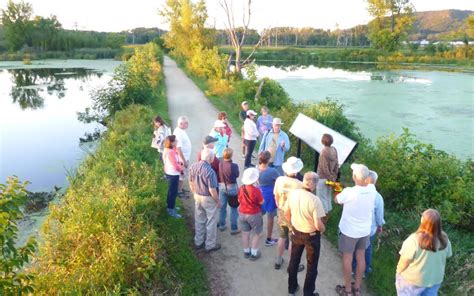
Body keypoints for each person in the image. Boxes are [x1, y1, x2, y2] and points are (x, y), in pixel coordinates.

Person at [334, 163, 376, 296]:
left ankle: (347, 290)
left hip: (349, 231)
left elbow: (337, 200)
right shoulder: (372, 190)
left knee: (347, 258)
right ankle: (357, 288)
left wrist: (337, 189)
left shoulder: (349, 192)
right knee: (361, 257)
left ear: (355, 177)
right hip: (364, 231)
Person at [286, 172, 326, 296]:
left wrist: (291, 226)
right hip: (311, 236)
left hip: (296, 232)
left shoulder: (293, 194)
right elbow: (318, 224)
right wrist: (323, 229)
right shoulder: (315, 200)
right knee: (311, 265)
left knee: (294, 260)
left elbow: (287, 213)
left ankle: (292, 288)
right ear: (314, 186)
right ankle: (308, 293)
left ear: (303, 181)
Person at [396, 209, 452, 296]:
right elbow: (448, 255)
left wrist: (398, 272)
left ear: (423, 220)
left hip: (413, 281)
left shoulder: (414, 239)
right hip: (435, 280)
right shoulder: (444, 239)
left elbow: (404, 261)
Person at [274, 156, 305, 271]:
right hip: (295, 215)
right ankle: (293, 264)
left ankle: (278, 259)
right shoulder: (300, 184)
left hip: (282, 211)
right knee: (294, 240)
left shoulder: (280, 180)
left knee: (282, 237)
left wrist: (279, 206)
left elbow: (276, 196)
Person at [352, 170, 385, 277]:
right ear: (375, 181)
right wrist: (380, 225)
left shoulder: (357, 192)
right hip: (369, 229)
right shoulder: (378, 197)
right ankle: (365, 270)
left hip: (355, 227)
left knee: (354, 247)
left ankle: (353, 268)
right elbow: (379, 215)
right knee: (367, 249)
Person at [188, 148, 222, 253]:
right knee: (211, 221)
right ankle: (210, 245)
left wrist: (194, 192)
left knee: (199, 219)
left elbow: (190, 182)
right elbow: (212, 189)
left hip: (197, 195)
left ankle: (198, 241)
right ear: (210, 158)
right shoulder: (210, 171)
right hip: (208, 198)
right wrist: (217, 201)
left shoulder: (193, 166)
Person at [238, 167, 264, 261]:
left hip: (242, 213)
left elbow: (238, 200)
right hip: (254, 214)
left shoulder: (241, 188)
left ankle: (246, 251)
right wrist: (259, 187)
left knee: (245, 233)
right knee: (257, 233)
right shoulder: (256, 190)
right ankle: (254, 253)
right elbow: (261, 202)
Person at [257, 151, 280, 247]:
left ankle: (257, 232)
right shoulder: (272, 171)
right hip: (270, 195)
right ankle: (269, 238)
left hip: (259, 193)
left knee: (259, 214)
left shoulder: (256, 169)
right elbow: (279, 181)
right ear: (269, 159)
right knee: (270, 217)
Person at [316, 133, 339, 223]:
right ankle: (328, 216)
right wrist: (334, 176)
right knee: (328, 197)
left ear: (323, 141)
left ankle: (323, 220)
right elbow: (337, 163)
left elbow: (323, 167)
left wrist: (329, 176)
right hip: (331, 178)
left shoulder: (323, 152)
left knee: (321, 198)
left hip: (322, 178)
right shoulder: (334, 150)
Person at [218, 148, 241, 235]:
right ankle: (234, 228)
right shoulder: (234, 166)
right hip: (232, 187)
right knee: (234, 208)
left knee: (222, 207)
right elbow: (237, 175)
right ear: (231, 155)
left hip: (222, 186)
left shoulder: (220, 163)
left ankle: (222, 225)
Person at [162, 135, 183, 218]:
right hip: (173, 174)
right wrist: (181, 169)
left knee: (171, 191)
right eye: (176, 140)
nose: (177, 141)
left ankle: (170, 206)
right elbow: (175, 165)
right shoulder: (170, 152)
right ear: (172, 142)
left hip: (171, 173)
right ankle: (170, 209)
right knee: (173, 192)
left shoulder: (170, 150)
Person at [173, 116, 192, 197]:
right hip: (181, 159)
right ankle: (179, 191)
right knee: (181, 175)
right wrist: (184, 161)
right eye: (186, 123)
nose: (188, 124)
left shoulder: (181, 130)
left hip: (184, 157)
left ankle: (180, 189)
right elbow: (178, 148)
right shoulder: (178, 133)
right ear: (181, 124)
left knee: (182, 175)